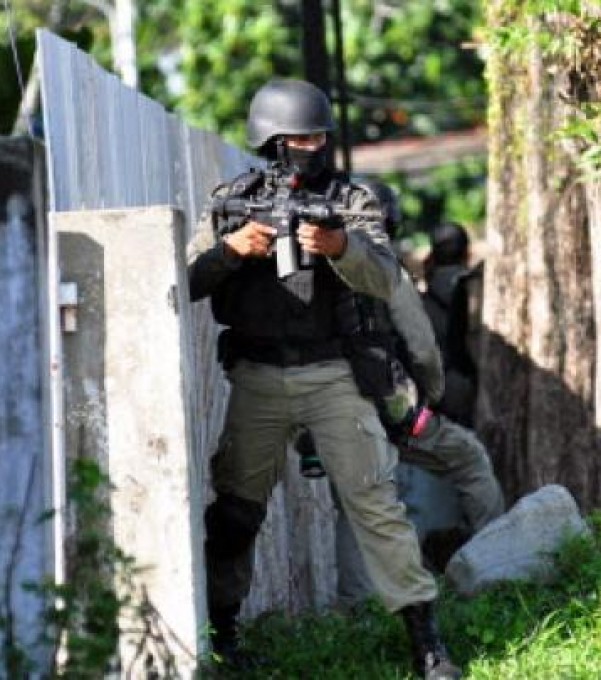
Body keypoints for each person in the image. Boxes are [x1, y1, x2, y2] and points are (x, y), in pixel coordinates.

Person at [186, 77, 460, 680]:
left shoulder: (352, 200)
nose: (313, 146)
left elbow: (385, 277)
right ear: (273, 142)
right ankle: (224, 636)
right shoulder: (232, 200)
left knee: (376, 503)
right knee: (234, 513)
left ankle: (428, 644)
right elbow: (186, 282)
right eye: (300, 137)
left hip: (335, 373)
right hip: (257, 376)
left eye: (319, 136)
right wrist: (232, 250)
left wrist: (339, 246)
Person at [293, 180, 504, 607]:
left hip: (320, 413)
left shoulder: (301, 270)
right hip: (387, 408)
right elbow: (421, 346)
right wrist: (427, 398)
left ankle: (358, 609)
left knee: (355, 501)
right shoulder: (383, 268)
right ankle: (497, 570)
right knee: (469, 458)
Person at [422, 222, 480, 426]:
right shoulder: (472, 283)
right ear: (466, 252)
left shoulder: (427, 289)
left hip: (427, 387)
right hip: (459, 384)